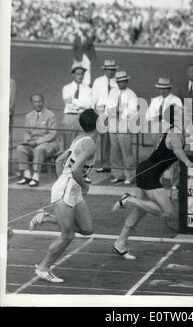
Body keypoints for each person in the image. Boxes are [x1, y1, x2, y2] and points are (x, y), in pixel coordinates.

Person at [112, 105, 193, 259]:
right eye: (182, 112)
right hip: (148, 173)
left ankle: (120, 243)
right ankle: (128, 199)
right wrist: (189, 163)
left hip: (147, 170)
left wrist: (173, 183)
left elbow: (170, 159)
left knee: (139, 211)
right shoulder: (175, 133)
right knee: (167, 211)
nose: (186, 114)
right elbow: (178, 152)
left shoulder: (178, 132)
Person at [29, 109, 98, 283]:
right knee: (67, 235)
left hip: (70, 188)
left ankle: (45, 217)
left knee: (87, 229)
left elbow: (60, 160)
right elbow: (75, 170)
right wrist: (83, 186)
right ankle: (43, 268)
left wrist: (66, 179)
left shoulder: (79, 138)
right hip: (66, 190)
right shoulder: (89, 144)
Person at [16, 94, 58, 187]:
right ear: (32, 103)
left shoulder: (50, 115)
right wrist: (27, 140)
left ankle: (35, 176)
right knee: (20, 148)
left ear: (43, 102)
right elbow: (27, 131)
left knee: (39, 149)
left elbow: (52, 134)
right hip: (32, 144)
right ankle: (27, 176)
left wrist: (37, 142)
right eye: (35, 102)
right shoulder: (28, 116)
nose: (38, 104)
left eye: (40, 101)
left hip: (48, 144)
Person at [106, 70, 138, 185]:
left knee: (127, 152)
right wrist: (115, 111)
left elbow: (133, 112)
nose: (122, 84)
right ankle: (117, 174)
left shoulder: (131, 94)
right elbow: (108, 108)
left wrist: (121, 111)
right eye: (120, 82)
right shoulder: (112, 93)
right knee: (114, 152)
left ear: (127, 82)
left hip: (124, 126)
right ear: (117, 82)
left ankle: (130, 176)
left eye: (124, 81)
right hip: (113, 125)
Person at [92, 60, 119, 173]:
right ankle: (102, 163)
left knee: (112, 138)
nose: (111, 71)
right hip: (100, 111)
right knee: (102, 139)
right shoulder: (98, 81)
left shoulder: (117, 82)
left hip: (113, 112)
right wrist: (94, 111)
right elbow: (94, 97)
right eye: (109, 69)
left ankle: (112, 164)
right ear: (105, 70)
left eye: (113, 69)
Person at [62, 63, 93, 150]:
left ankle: (79, 163)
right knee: (68, 144)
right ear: (72, 75)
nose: (80, 76)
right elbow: (68, 104)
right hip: (70, 117)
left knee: (82, 143)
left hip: (83, 117)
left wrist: (75, 103)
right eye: (77, 74)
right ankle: (67, 163)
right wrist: (82, 104)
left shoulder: (88, 89)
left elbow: (89, 105)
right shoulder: (66, 88)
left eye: (82, 74)